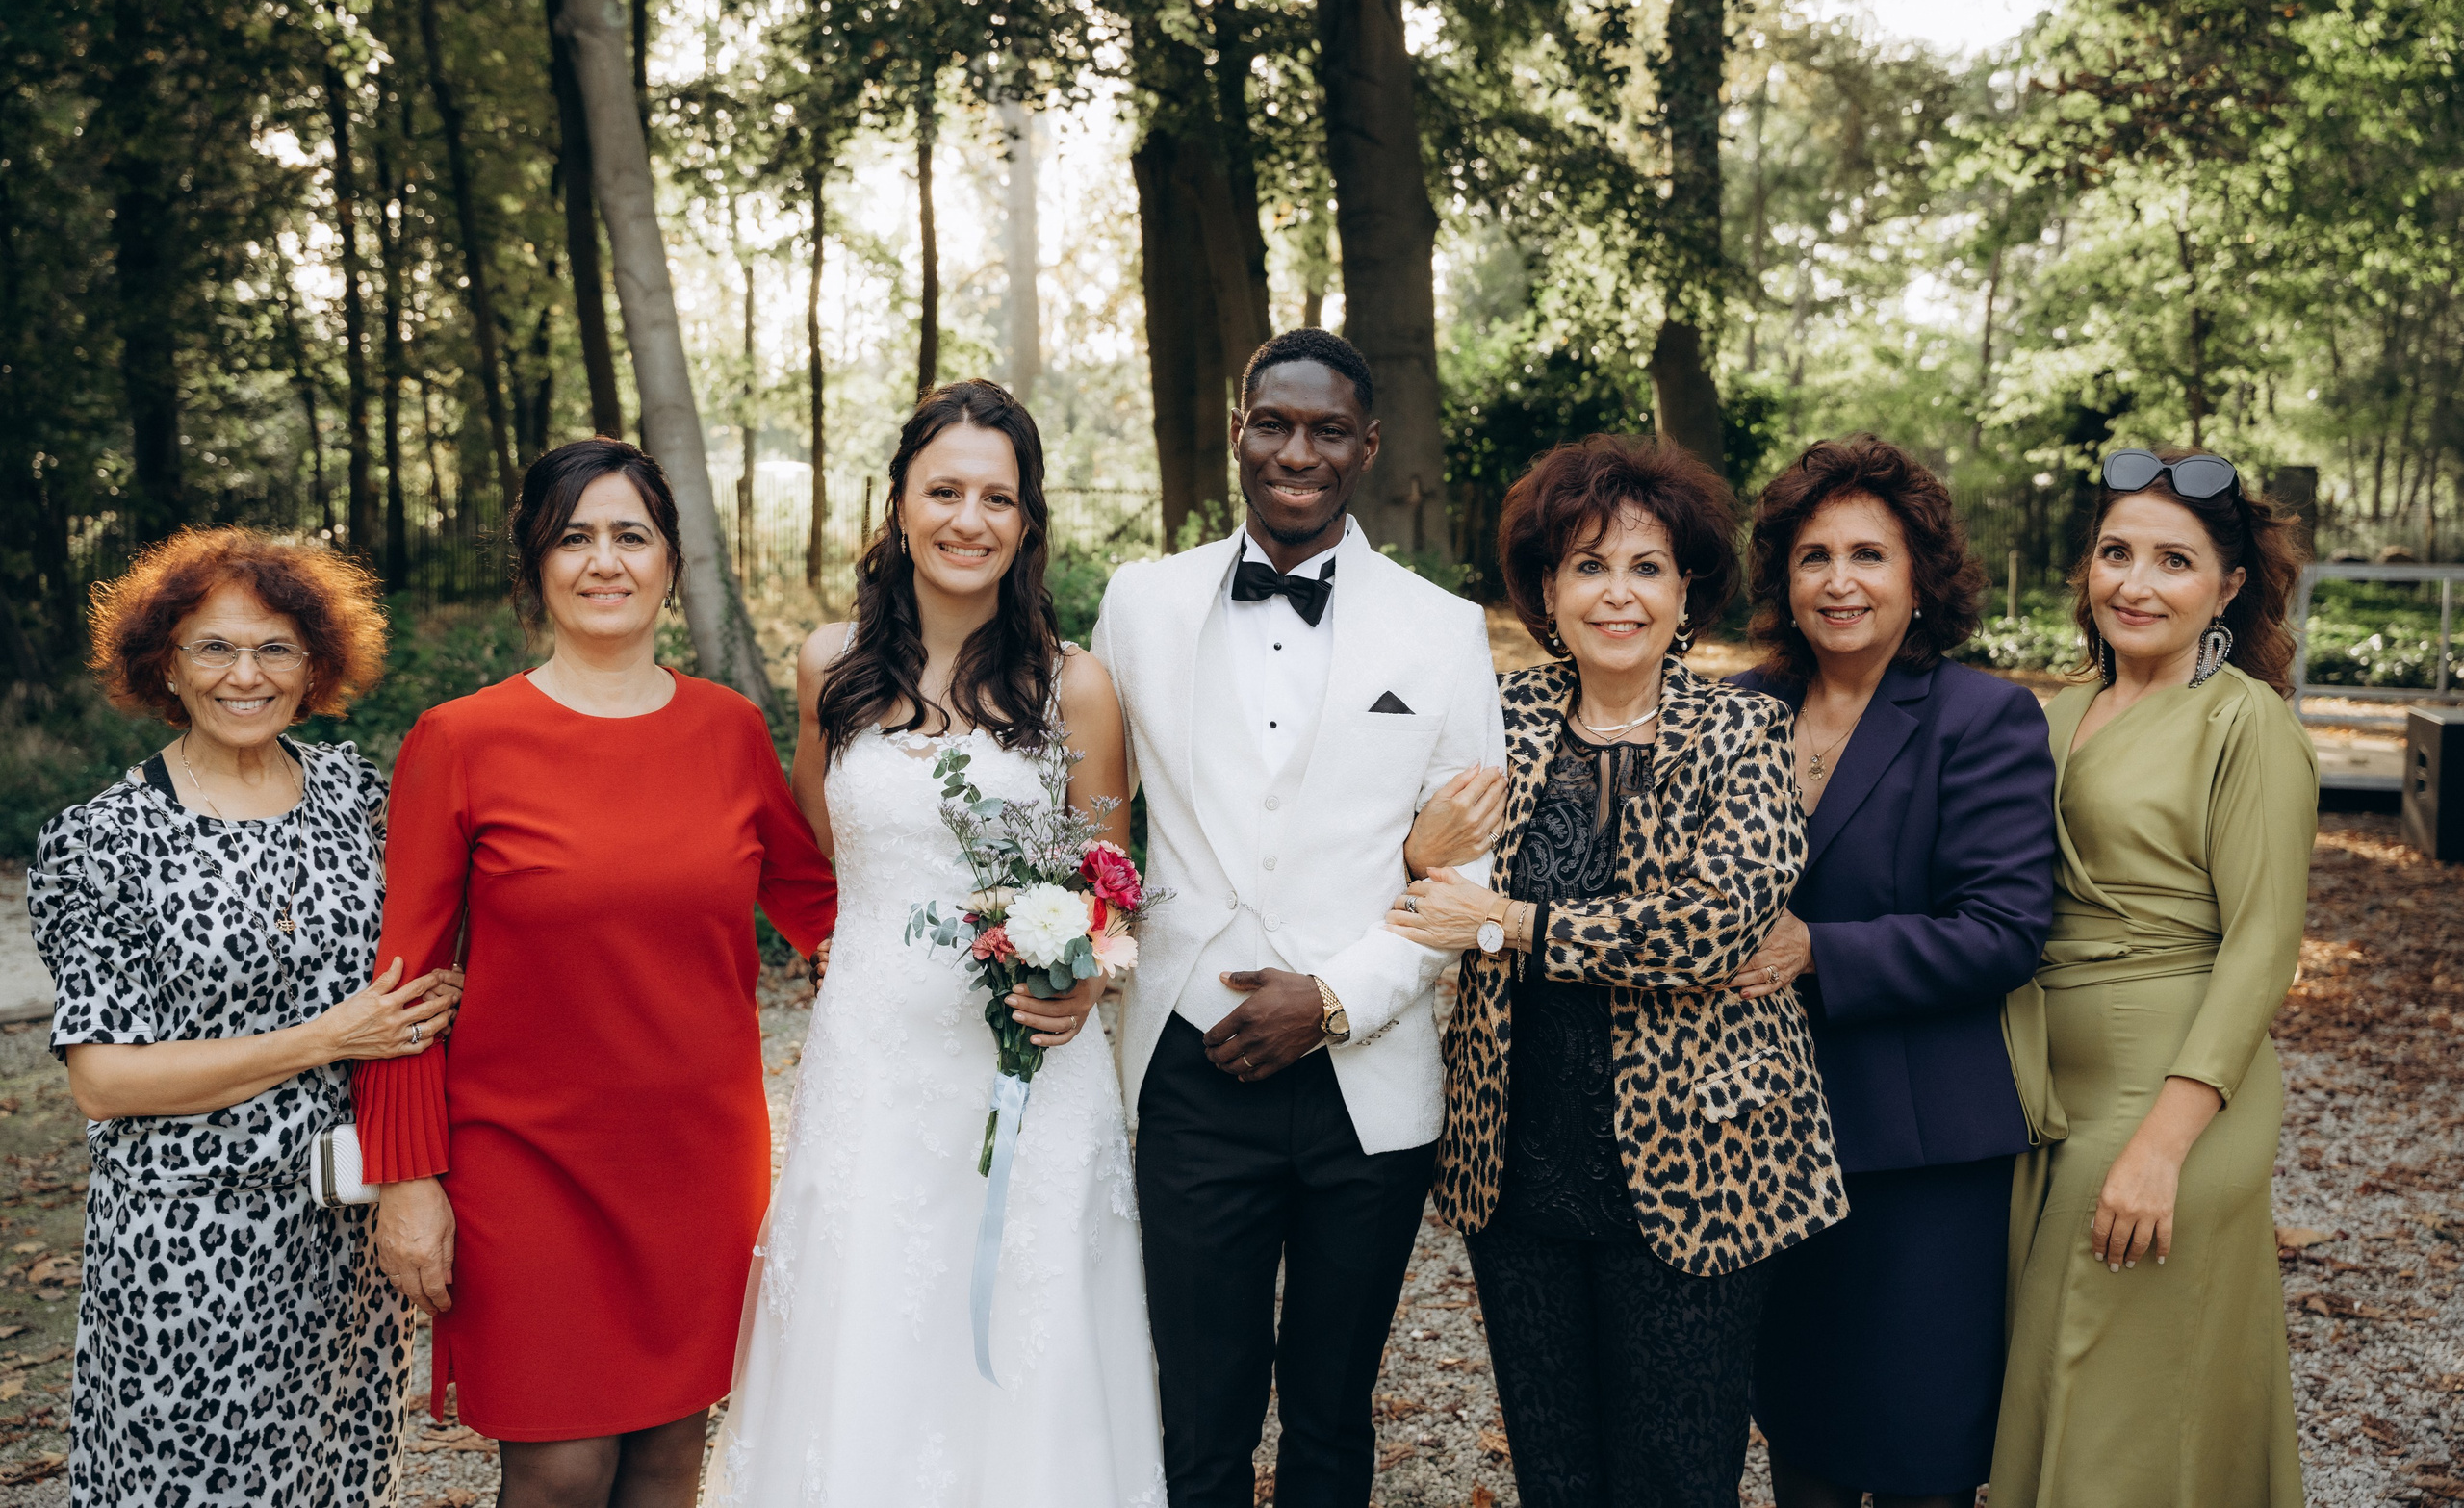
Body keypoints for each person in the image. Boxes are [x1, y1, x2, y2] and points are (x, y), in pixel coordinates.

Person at [705, 380, 1165, 1506]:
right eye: (944, 490)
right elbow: (827, 849)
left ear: (1027, 518)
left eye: (996, 497)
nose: (969, 519)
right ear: (900, 504)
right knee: (867, 1326)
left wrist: (1082, 979)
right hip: (872, 1058)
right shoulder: (828, 667)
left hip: (1030, 1071)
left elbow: (1108, 888)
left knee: (1030, 1333)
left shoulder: (1076, 687)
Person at [356, 438, 837, 1508]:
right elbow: (405, 982)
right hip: (524, 1158)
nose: (604, 560)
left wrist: (994, 947)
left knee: (667, 1461)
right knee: (560, 1470)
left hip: (697, 1159)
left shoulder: (728, 730)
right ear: (535, 564)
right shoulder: (461, 739)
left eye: (631, 534)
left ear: (671, 561)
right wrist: (406, 1176)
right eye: (573, 537)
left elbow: (825, 911)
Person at [1092, 328, 1507, 1508]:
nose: (1296, 451)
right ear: (1238, 431)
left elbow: (1469, 865)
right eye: (1272, 423)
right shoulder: (1140, 603)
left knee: (1331, 1411)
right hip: (1188, 1062)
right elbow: (1090, 814)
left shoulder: (1441, 627)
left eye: (1328, 430)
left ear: (1367, 446)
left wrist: (1331, 998)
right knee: (1198, 1412)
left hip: (1365, 1080)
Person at [1393, 434, 1846, 1508]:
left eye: (1647, 567)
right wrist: (1417, 856)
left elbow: (1711, 927)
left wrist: (1506, 923)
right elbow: (1414, 881)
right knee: (1556, 1474)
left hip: (1702, 1160)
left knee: (1677, 1476)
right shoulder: (1492, 724)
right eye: (1588, 565)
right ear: (1547, 590)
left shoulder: (1744, 728)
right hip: (1517, 1163)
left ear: (1686, 590)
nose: (1618, 593)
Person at [28, 525, 463, 1507]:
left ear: (314, 666)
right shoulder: (102, 840)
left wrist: (449, 992)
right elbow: (104, 1079)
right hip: (189, 1244)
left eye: (275, 648)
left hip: (347, 1237)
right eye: (214, 647)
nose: (245, 674)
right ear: (165, 664)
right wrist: (328, 1036)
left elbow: (422, 958)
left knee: (340, 1481)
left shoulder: (355, 795)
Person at [1726, 437, 2057, 1508]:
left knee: (1922, 1446)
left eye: (1869, 553)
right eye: (1813, 555)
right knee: (1803, 1431)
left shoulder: (1982, 717)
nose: (1839, 580)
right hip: (1758, 1128)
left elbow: (2004, 928)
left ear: (1921, 576)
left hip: (1921, 1143)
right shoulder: (1736, 709)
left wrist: (1820, 949)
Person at [1990, 446, 2314, 1508]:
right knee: (2066, 1383)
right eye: (2115, 552)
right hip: (2053, 1095)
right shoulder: (2052, 714)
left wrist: (2162, 1144)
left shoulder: (2244, 721)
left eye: (2174, 560)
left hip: (2172, 1102)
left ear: (2227, 587)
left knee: (2107, 1404)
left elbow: (2263, 942)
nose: (2135, 582)